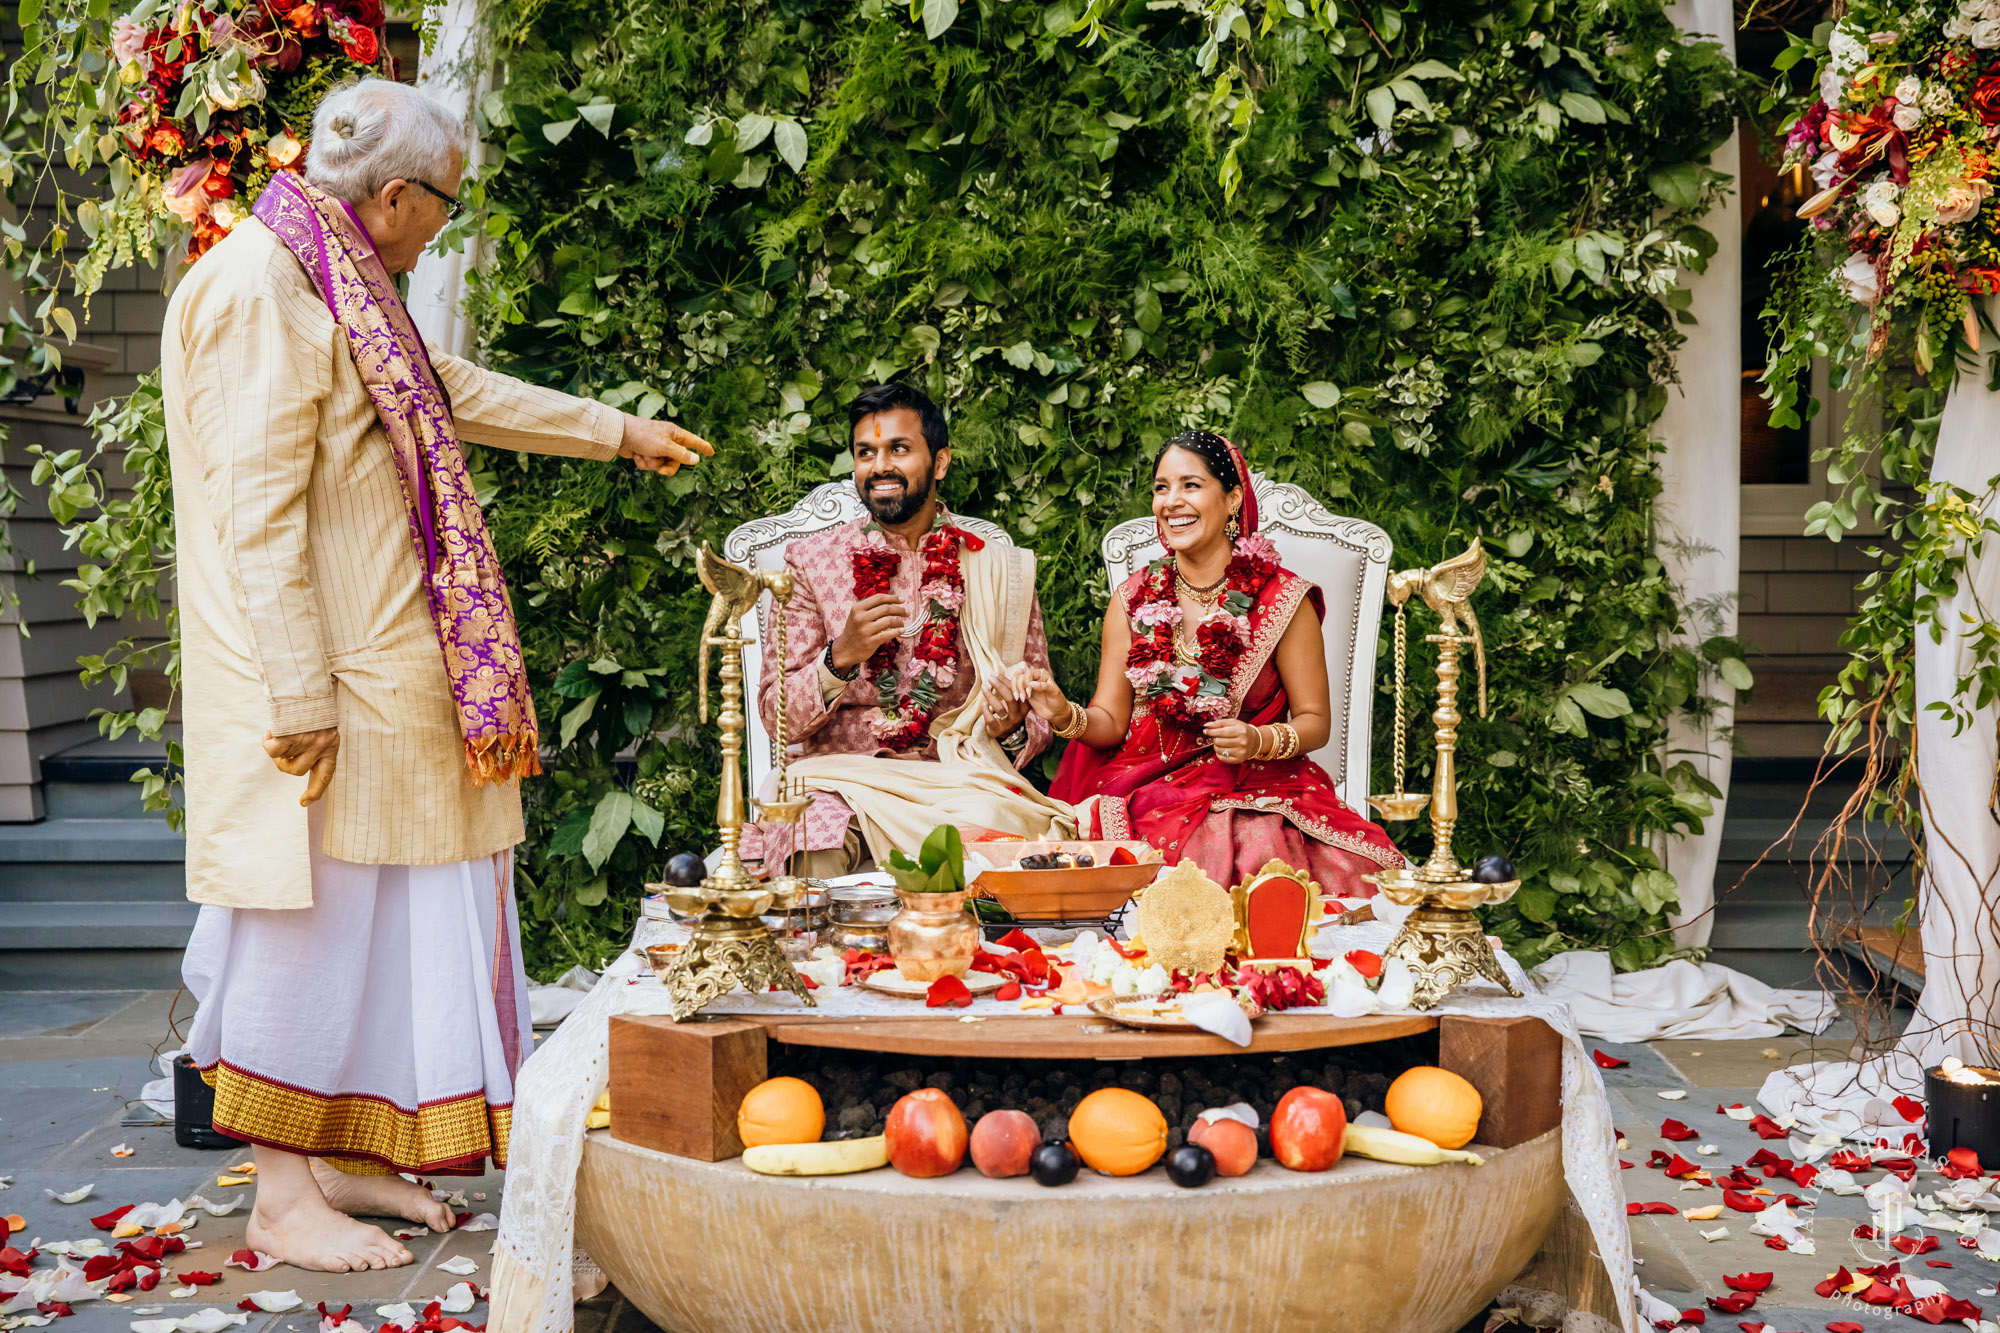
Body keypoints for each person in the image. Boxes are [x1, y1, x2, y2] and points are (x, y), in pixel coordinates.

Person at [164, 79, 713, 1274]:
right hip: (327, 689)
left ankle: (341, 1156)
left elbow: (444, 393)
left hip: (387, 678)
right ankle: (282, 1194)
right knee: (304, 930)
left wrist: (612, 429)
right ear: (395, 195)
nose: (438, 234)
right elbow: (255, 518)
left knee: (383, 927)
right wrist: (299, 698)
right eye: (443, 212)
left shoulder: (337, 275)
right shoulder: (267, 286)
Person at [1035, 430, 1403, 893]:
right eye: (1161, 487)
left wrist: (1257, 739)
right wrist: (1062, 713)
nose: (1171, 501)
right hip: (1145, 791)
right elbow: (1109, 722)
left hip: (1257, 785)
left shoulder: (1282, 598)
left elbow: (1315, 722)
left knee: (1258, 844)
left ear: (1232, 499)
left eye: (1190, 485)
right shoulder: (1132, 599)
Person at [741, 382, 1073, 874]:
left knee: (1002, 849)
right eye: (865, 453)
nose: (879, 467)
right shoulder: (811, 563)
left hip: (959, 781)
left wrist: (1008, 729)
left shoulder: (997, 568)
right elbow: (776, 714)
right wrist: (840, 657)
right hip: (838, 781)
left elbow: (1039, 709)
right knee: (814, 846)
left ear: (939, 463)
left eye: (898, 449)